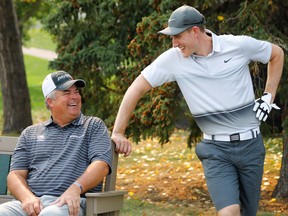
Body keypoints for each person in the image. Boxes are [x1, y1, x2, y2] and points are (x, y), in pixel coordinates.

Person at [111, 5, 284, 216]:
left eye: (177, 36)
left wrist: (268, 96)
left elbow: (276, 54)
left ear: (195, 31)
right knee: (229, 213)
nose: (174, 43)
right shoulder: (174, 59)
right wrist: (118, 131)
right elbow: (135, 88)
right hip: (215, 151)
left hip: (251, 147)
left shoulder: (237, 45)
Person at [0, 71, 112, 216]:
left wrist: (75, 188)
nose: (75, 97)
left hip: (70, 203)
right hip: (33, 203)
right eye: (66, 92)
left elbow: (101, 165)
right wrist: (27, 198)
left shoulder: (92, 126)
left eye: (76, 92)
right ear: (50, 102)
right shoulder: (30, 133)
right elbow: (15, 175)